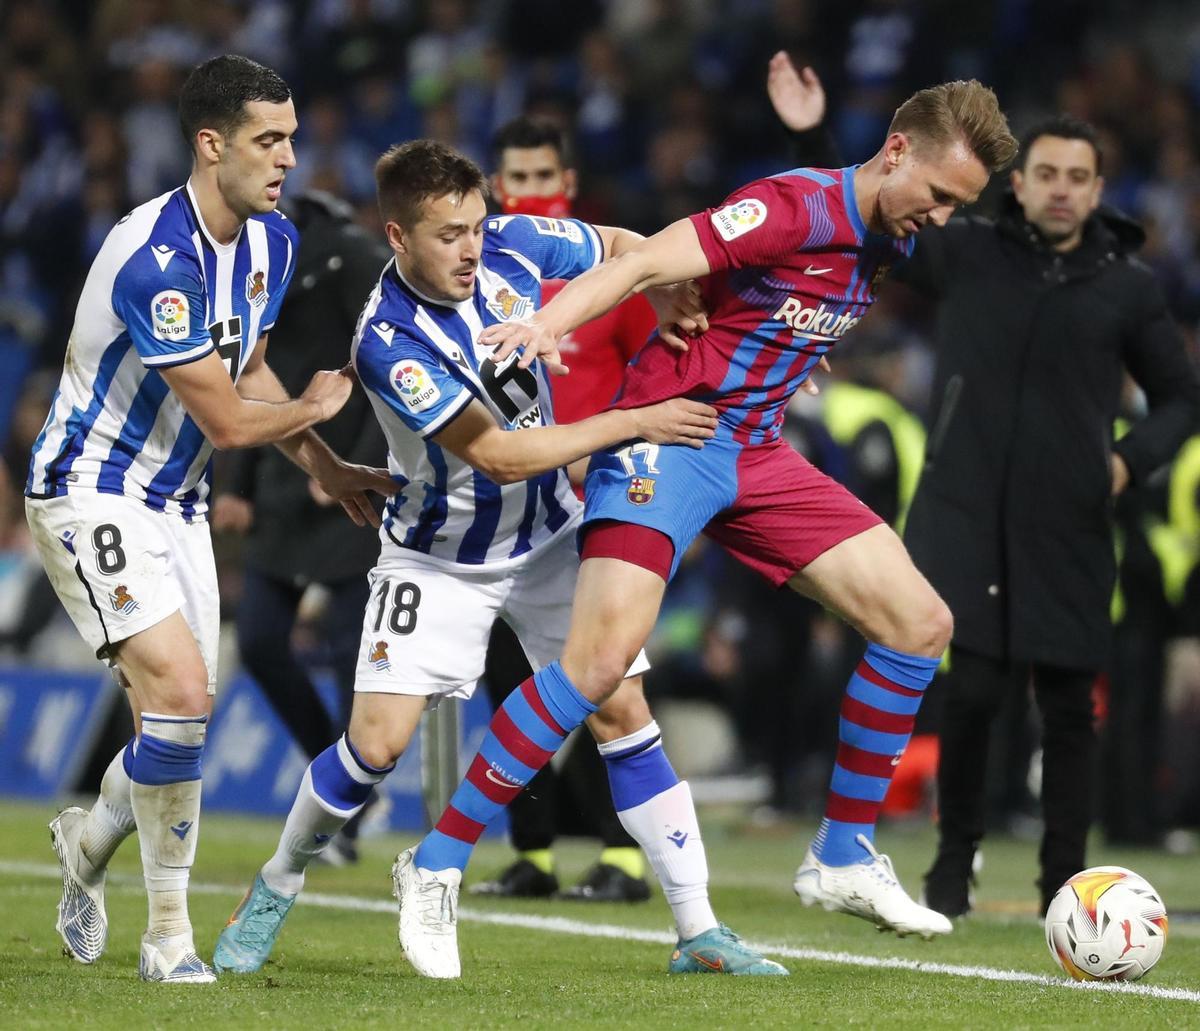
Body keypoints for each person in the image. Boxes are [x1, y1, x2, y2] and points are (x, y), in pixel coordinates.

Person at [406, 80, 1018, 975]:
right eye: (940, 194)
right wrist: (547, 322)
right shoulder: (787, 206)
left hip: (758, 453)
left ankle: (843, 854)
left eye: (958, 206)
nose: (942, 217)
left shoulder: (889, 232)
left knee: (920, 623)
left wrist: (779, 354)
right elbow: (647, 263)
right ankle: (435, 863)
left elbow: (780, 310)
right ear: (897, 153)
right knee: (596, 667)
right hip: (669, 433)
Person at [213, 140, 787, 981]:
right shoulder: (390, 339)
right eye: (448, 235)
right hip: (438, 555)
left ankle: (699, 928)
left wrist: (660, 286)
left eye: (477, 227)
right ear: (398, 237)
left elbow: (628, 246)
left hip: (550, 538)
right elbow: (502, 457)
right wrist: (636, 421)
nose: (472, 248)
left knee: (622, 708)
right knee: (373, 746)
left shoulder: (514, 244)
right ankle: (275, 882)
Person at [25, 55, 394, 984]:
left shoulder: (272, 241)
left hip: (177, 501)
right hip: (91, 487)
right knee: (184, 694)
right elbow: (229, 418)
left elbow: (250, 374)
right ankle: (167, 940)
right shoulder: (156, 258)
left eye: (293, 138)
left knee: (177, 717)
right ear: (211, 142)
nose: (287, 159)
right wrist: (313, 414)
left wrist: (327, 463)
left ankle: (90, 841)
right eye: (270, 140)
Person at [892, 117, 1200, 916]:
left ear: (1098, 191)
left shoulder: (1128, 287)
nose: (1062, 188)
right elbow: (877, 221)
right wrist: (809, 133)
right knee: (973, 694)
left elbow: (1182, 397)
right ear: (1018, 185)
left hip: (1069, 523)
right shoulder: (965, 254)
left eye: (1078, 176)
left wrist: (1129, 461)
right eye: (1048, 173)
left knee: (1068, 702)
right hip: (965, 515)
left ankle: (1067, 884)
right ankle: (951, 868)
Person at [470, 115, 657, 903]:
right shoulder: (479, 274)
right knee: (513, 686)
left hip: (604, 508)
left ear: (568, 186)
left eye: (545, 177)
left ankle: (627, 855)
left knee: (610, 685)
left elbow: (668, 364)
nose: (531, 192)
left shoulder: (609, 287)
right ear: (497, 187)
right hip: (508, 509)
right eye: (517, 178)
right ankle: (533, 854)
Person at [211, 190, 392, 863]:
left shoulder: (350, 259)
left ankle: (345, 805)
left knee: (351, 655)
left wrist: (355, 463)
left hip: (348, 490)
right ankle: (339, 781)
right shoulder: (255, 269)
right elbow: (256, 383)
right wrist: (243, 487)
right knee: (258, 640)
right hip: (287, 487)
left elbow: (386, 371)